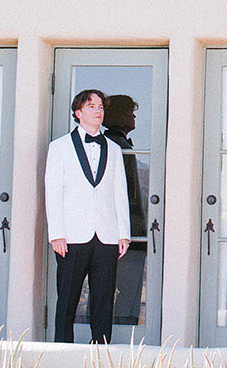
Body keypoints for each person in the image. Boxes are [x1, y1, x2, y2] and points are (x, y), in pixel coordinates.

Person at [45, 88, 131, 344]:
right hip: (71, 235)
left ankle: (101, 351)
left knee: (103, 298)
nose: (98, 111)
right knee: (68, 298)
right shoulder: (59, 147)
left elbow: (120, 192)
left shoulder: (114, 149)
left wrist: (123, 233)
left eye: (101, 107)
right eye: (91, 106)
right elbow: (53, 193)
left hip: (106, 235)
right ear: (78, 112)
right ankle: (62, 351)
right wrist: (57, 234)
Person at [102, 94, 146, 326]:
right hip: (126, 229)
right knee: (126, 287)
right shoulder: (115, 146)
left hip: (128, 227)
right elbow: (126, 194)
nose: (134, 116)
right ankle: (122, 326)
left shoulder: (120, 144)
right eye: (130, 111)